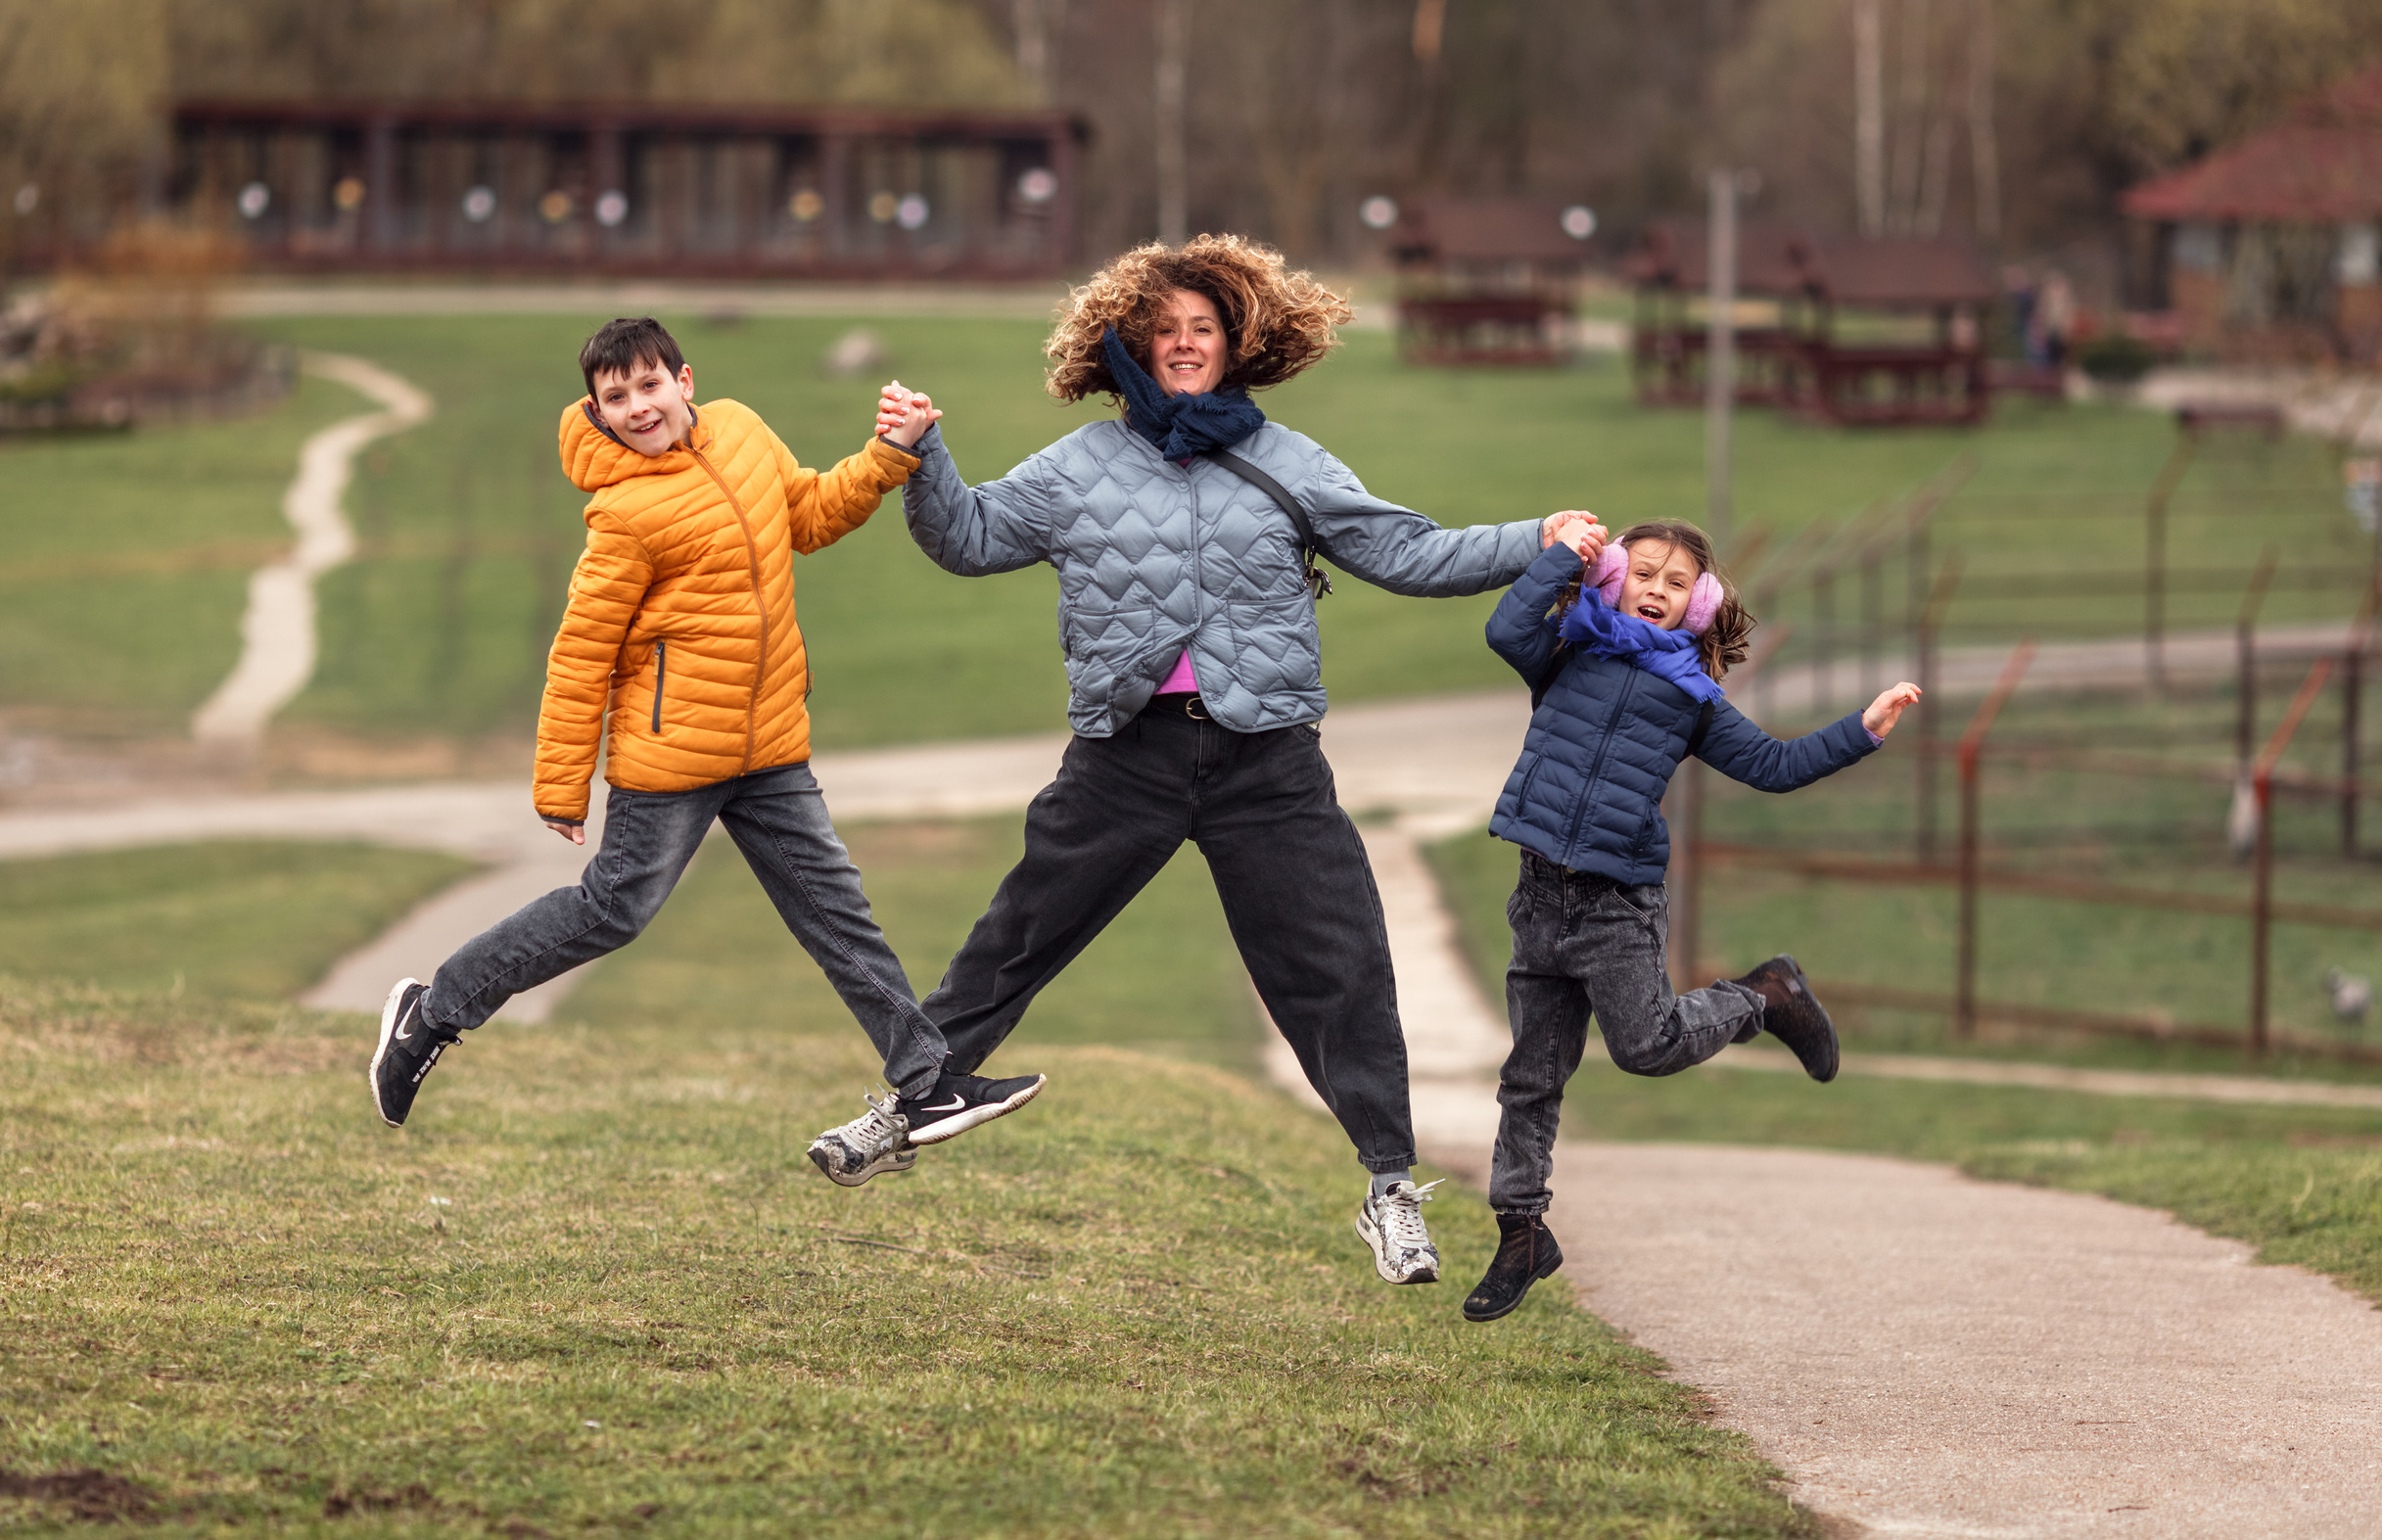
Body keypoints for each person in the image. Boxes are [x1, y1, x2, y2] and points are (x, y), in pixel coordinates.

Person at [826, 234, 1583, 1287]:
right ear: (1127, 340)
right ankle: (903, 1109)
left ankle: (1390, 1190)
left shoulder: (1288, 462)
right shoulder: (1078, 467)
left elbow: (1409, 552)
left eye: (1203, 331)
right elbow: (970, 538)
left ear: (1238, 344)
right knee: (1015, 935)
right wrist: (921, 454)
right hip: (1124, 758)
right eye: (1164, 330)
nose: (1184, 346)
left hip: (1265, 764)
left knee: (1343, 969)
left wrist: (1537, 540)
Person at [366, 316, 1044, 1188]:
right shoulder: (623, 514)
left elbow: (805, 514)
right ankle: (434, 1011)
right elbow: (581, 650)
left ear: (685, 381)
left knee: (838, 913)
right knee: (613, 912)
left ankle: (924, 1085)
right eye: (617, 398)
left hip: (768, 746)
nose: (638, 407)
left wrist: (889, 454)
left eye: (649, 386)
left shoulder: (746, 431)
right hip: (672, 759)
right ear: (599, 412)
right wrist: (561, 783)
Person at [1460, 516, 1921, 1323]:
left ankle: (1764, 996)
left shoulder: (1691, 700)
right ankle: (1521, 1229)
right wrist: (1566, 554)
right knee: (1529, 1076)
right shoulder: (1566, 651)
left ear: (1697, 606)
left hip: (1615, 906)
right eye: (1642, 574)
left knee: (1648, 1045)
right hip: (1539, 895)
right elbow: (1504, 627)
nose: (1656, 591)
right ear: (1614, 580)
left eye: (1676, 584)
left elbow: (1775, 766)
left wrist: (1862, 731)